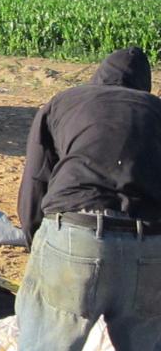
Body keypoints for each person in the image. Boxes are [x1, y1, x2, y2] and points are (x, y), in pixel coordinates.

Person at [16, 47, 161, 350]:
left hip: (76, 234)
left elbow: (35, 182)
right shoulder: (156, 111)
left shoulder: (65, 102)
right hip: (149, 244)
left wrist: (37, 242)